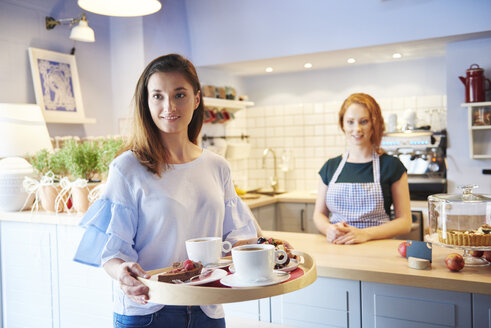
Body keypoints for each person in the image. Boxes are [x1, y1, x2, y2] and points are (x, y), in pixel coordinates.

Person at [73, 54, 258, 328]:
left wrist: (265, 250)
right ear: (146, 103)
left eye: (179, 94)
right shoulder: (127, 168)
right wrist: (122, 272)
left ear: (196, 99)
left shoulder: (217, 166)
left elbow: (238, 237)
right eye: (157, 96)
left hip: (207, 310)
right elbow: (113, 253)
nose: (168, 105)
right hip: (148, 310)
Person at [313, 93, 411, 244]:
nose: (357, 129)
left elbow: (405, 222)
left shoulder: (391, 166)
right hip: (338, 246)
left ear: (374, 124)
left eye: (364, 121)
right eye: (350, 122)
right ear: (342, 124)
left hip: (377, 246)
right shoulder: (330, 167)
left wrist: (365, 234)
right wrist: (328, 229)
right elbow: (319, 214)